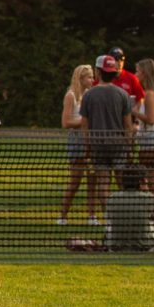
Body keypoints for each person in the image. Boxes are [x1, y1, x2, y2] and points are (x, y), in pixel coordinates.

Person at [79, 54, 134, 217]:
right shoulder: (123, 94)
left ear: (98, 71)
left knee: (103, 183)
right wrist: (130, 147)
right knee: (122, 182)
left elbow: (84, 125)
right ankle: (125, 215)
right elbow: (128, 125)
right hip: (119, 144)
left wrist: (87, 147)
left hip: (98, 144)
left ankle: (110, 217)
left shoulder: (89, 95)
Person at [59, 64, 98, 225]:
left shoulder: (90, 95)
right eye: (89, 77)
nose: (92, 80)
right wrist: (83, 123)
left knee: (92, 180)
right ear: (81, 79)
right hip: (76, 142)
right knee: (75, 181)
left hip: (89, 141)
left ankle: (92, 215)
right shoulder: (71, 95)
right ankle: (63, 215)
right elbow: (66, 122)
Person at [133, 58, 154, 208]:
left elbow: (150, 119)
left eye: (138, 71)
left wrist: (133, 111)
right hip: (152, 141)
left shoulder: (150, 94)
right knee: (151, 183)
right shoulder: (149, 94)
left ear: (145, 73)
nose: (135, 74)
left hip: (151, 143)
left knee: (149, 183)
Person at [103, 166, 154, 252]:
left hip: (115, 247)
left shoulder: (112, 198)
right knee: (152, 224)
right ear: (141, 181)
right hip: (144, 247)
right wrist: (146, 189)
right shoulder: (149, 198)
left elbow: (108, 219)